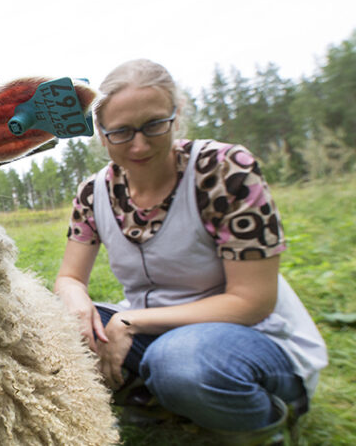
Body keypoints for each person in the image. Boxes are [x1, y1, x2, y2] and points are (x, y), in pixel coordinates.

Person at [54, 59, 328, 435]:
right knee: (53, 324)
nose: (139, 144)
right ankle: (165, 406)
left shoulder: (225, 171)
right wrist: (74, 302)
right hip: (156, 332)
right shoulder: (94, 192)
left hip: (251, 338)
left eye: (153, 124)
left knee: (180, 362)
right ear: (101, 134)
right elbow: (70, 277)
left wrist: (130, 320)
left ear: (176, 116)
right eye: (121, 132)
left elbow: (252, 301)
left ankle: (267, 420)